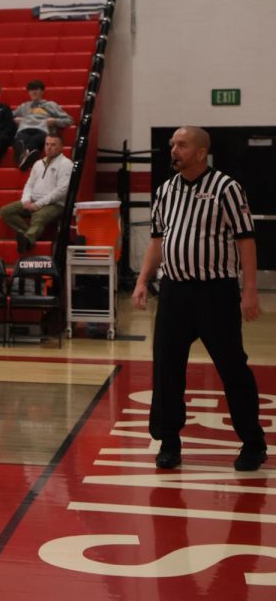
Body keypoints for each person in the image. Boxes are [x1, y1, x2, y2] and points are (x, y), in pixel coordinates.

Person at [132, 126, 266, 472]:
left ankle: (253, 442)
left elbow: (246, 241)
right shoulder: (165, 191)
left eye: (182, 144)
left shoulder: (226, 188)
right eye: (172, 144)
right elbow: (157, 241)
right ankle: (169, 442)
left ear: (201, 151)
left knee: (232, 367)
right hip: (174, 292)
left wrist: (249, 290)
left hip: (215, 293)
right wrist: (143, 280)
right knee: (166, 368)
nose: (173, 149)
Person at [0, 133, 72, 253]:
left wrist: (39, 204)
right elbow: (29, 184)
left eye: (53, 145)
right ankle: (31, 235)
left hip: (55, 204)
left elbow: (62, 190)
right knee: (6, 211)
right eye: (47, 144)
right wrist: (26, 200)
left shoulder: (66, 164)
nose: (49, 147)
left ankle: (28, 240)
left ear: (61, 147)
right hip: (33, 200)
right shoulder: (38, 164)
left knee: (38, 216)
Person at [12, 80, 71, 170]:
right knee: (20, 140)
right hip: (24, 129)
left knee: (35, 140)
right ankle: (26, 158)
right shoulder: (24, 106)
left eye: (37, 89)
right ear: (28, 92)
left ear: (42, 91)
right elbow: (8, 117)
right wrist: (14, 120)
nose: (34, 92)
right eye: (31, 90)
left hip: (41, 130)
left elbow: (69, 120)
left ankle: (23, 157)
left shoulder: (51, 105)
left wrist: (55, 121)